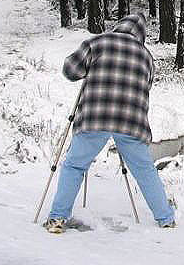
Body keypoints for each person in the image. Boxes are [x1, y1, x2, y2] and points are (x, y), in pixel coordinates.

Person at [43, 12, 175, 233]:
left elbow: (70, 70)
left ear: (119, 26)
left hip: (95, 116)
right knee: (145, 170)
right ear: (140, 34)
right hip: (132, 121)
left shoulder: (98, 42)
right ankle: (165, 217)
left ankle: (58, 218)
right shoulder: (147, 56)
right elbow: (147, 86)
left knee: (75, 166)